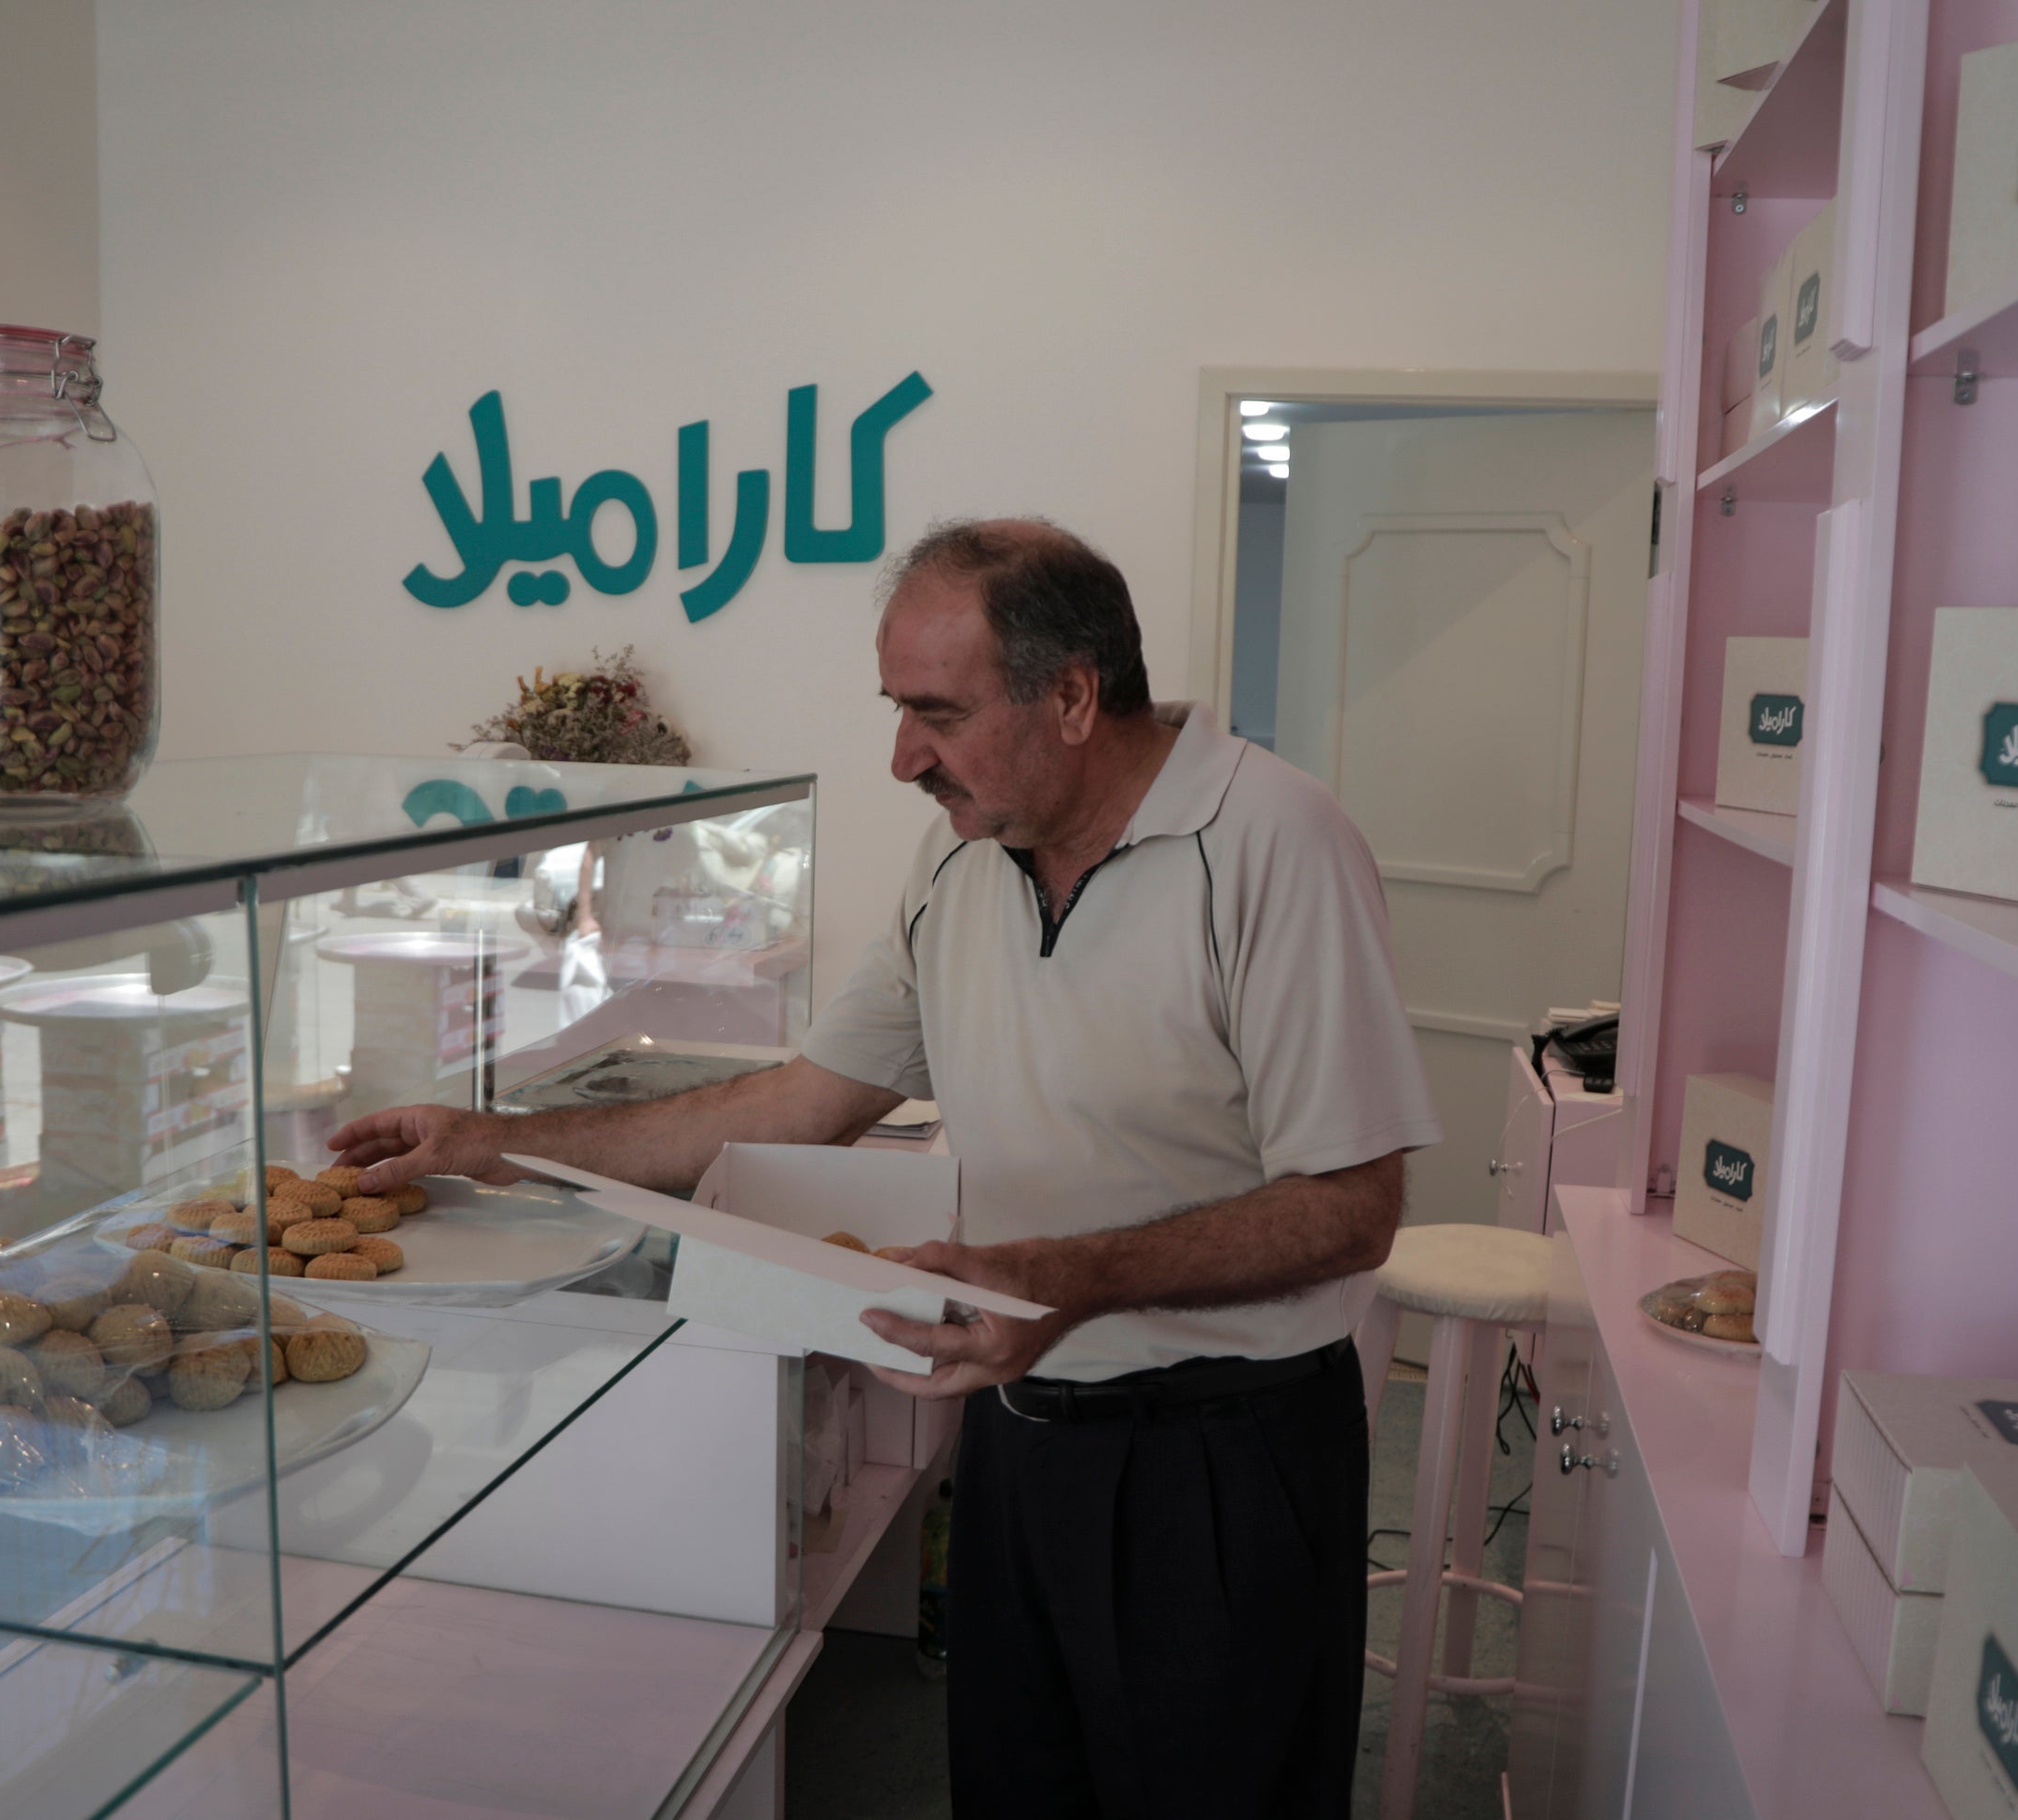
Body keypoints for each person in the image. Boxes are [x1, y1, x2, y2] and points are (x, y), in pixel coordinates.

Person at [330, 518, 1440, 1819]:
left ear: (1075, 695)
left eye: (937, 711)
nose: (902, 754)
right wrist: (496, 1144)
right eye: (896, 706)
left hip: (1218, 1466)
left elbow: (1353, 1208)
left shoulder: (1277, 844)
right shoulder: (963, 853)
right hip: (1022, 1440)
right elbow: (805, 1098)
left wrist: (1065, 1275)